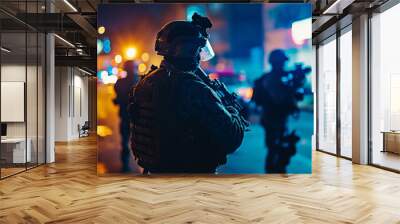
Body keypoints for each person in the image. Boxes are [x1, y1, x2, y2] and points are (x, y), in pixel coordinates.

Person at [128, 13, 247, 173]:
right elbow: (231, 138)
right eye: (197, 49)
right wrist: (232, 111)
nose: (199, 56)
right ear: (186, 49)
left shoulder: (146, 82)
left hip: (154, 173)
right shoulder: (194, 88)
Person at [252, 49, 304, 173]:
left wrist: (296, 83)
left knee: (279, 150)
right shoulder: (271, 79)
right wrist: (292, 89)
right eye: (281, 62)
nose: (283, 65)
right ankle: (274, 173)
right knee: (276, 150)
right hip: (272, 120)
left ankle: (276, 171)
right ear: (276, 63)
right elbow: (279, 98)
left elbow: (295, 96)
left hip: (278, 119)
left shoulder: (280, 78)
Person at [114, 60, 139, 172]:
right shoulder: (140, 81)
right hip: (138, 118)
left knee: (125, 141)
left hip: (125, 115)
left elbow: (117, 98)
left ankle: (125, 164)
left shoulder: (119, 83)